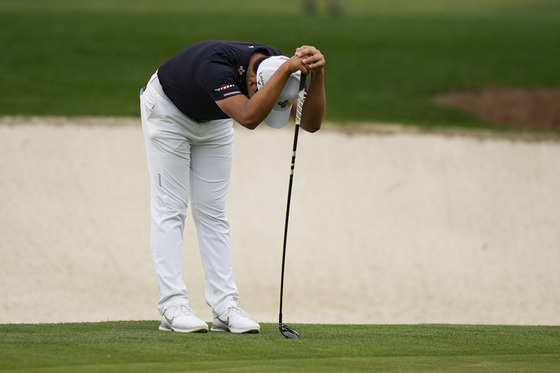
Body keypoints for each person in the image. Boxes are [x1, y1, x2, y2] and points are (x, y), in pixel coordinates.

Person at [139, 40, 326, 334]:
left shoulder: (279, 68)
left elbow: (311, 124)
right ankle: (172, 305)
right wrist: (289, 68)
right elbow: (249, 117)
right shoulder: (216, 67)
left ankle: (224, 307)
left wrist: (316, 75)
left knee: (213, 213)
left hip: (215, 119)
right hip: (168, 113)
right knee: (171, 207)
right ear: (252, 82)